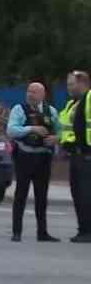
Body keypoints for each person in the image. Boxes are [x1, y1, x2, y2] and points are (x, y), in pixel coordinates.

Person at [7, 81, 61, 242]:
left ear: (43, 95)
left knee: (42, 196)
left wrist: (56, 138)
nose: (30, 94)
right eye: (29, 91)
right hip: (24, 156)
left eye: (34, 92)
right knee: (21, 195)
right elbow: (11, 130)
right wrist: (31, 129)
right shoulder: (19, 109)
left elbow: (60, 131)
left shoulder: (51, 111)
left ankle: (42, 232)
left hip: (43, 158)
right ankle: (17, 232)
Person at [62, 71, 91, 243]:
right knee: (78, 194)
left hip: (87, 156)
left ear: (82, 83)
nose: (69, 87)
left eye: (71, 84)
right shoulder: (72, 104)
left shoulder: (89, 99)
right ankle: (83, 230)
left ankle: (88, 231)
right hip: (76, 155)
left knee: (86, 195)